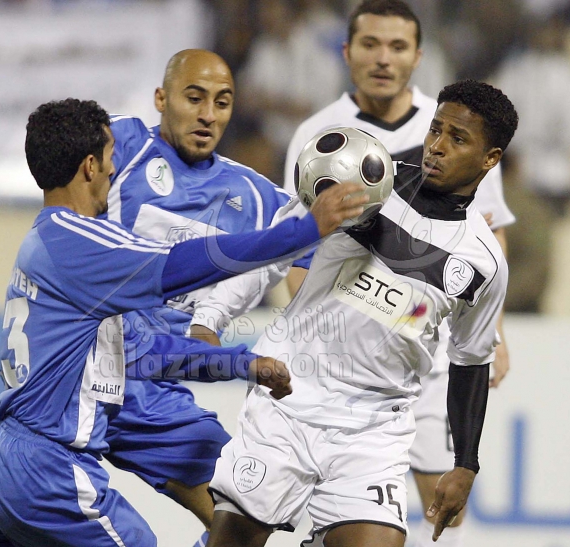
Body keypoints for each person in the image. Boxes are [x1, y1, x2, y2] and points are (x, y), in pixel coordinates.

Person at [0, 98, 367, 547]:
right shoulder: (81, 244)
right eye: (110, 157)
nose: (114, 169)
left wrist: (243, 364)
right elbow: (187, 263)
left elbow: (144, 353)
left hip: (1, 462)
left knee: (236, 498)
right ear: (89, 166)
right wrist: (303, 231)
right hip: (47, 467)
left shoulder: (48, 243)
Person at [206, 79, 518, 547]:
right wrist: (210, 317)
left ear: (489, 159)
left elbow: (471, 360)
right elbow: (275, 247)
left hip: (374, 428)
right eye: (435, 129)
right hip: (291, 399)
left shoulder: (483, 261)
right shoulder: (367, 180)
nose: (436, 146)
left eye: (458, 138)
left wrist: (465, 464)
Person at [282, 2, 515, 545]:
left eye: (397, 46)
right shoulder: (320, 134)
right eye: (370, 45)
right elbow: (298, 249)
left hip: (428, 357)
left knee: (442, 505)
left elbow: (489, 236)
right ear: (347, 52)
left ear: (418, 57)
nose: (383, 59)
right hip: (342, 363)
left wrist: (494, 331)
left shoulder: (460, 124)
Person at [103, 49, 322, 544]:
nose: (208, 115)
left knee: (243, 513)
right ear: (161, 99)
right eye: (194, 98)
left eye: (221, 103)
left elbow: (318, 240)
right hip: (91, 367)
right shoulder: (125, 146)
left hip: (156, 391)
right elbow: (57, 148)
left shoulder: (256, 196)